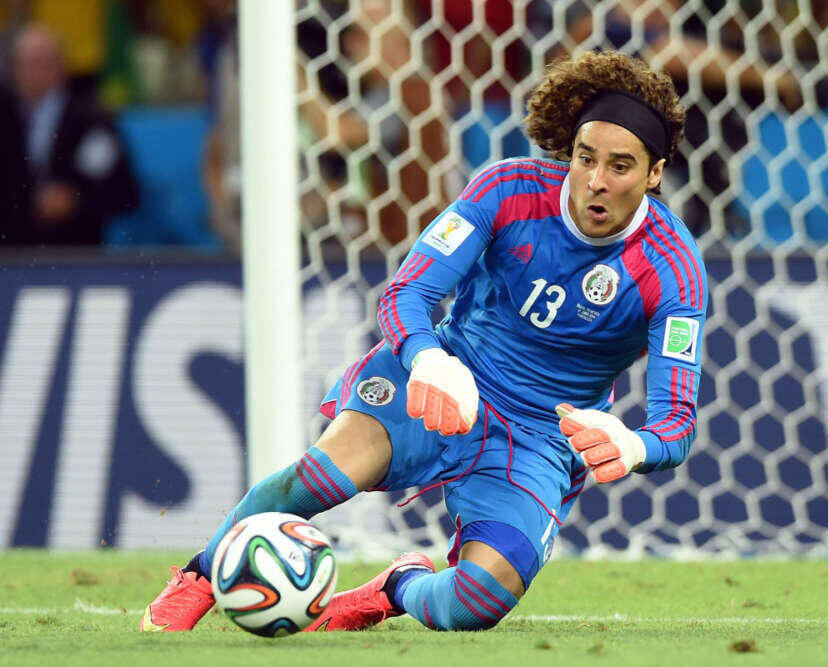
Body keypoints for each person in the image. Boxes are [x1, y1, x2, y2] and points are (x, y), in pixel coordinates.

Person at [139, 49, 706, 633]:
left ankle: (396, 586)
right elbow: (404, 293)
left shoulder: (673, 268)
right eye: (585, 158)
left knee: (477, 603)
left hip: (539, 438)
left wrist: (632, 445)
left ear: (655, 172)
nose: (595, 180)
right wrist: (429, 357)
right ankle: (200, 576)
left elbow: (676, 426)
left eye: (620, 167)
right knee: (320, 477)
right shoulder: (508, 190)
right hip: (439, 385)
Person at [0, 23, 138, 246]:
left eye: (45, 62)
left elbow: (125, 193)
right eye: (29, 63)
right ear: (14, 70)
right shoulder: (5, 119)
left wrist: (75, 199)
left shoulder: (93, 121)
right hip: (11, 250)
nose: (37, 72)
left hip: (76, 250)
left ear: (62, 65)